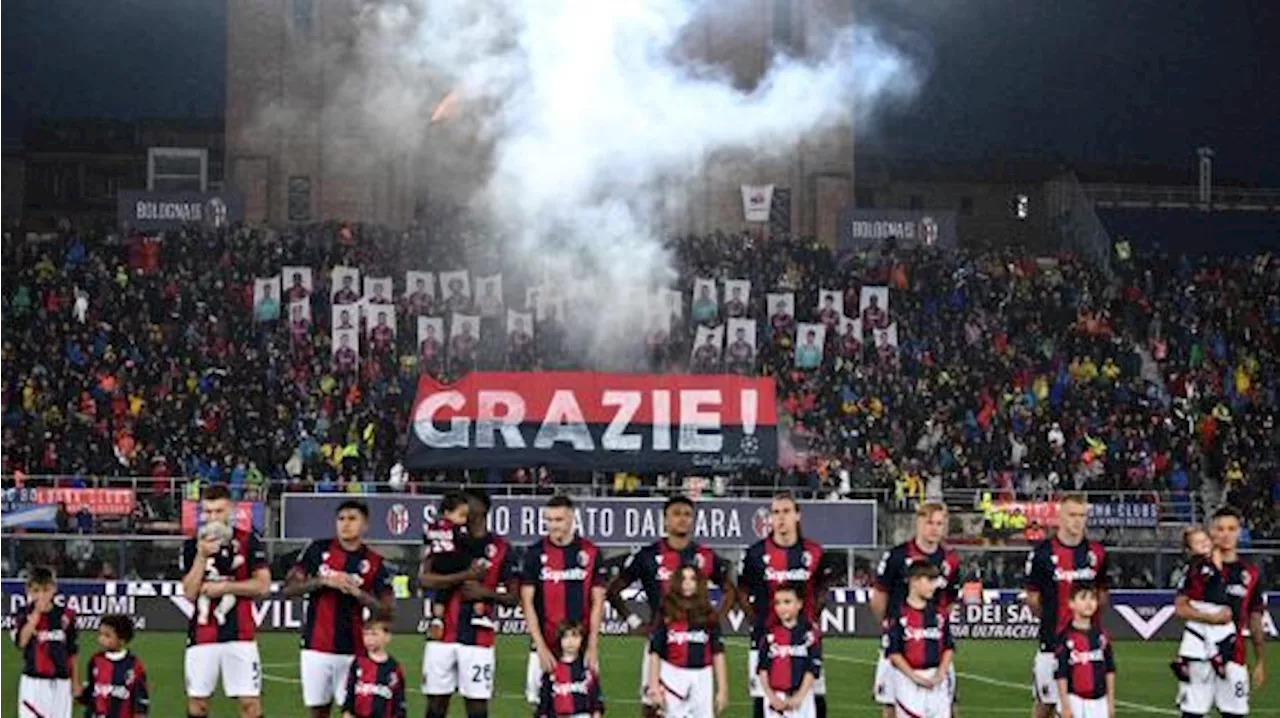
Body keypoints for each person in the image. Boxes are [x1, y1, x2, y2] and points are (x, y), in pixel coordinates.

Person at [604, 496, 736, 713]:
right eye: (676, 514)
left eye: (687, 514)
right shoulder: (648, 556)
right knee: (653, 707)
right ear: (665, 520)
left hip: (696, 643)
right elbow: (613, 591)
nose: (682, 519)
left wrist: (716, 618)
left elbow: (730, 590)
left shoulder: (705, 556)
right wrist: (635, 621)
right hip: (660, 641)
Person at [283, 500, 395, 717]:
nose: (346, 524)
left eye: (353, 519)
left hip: (354, 650)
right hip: (315, 647)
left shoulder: (374, 562)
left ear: (365, 525)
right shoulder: (317, 550)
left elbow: (387, 610)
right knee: (318, 711)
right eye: (341, 519)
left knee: (353, 711)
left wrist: (358, 592)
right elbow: (289, 589)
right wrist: (323, 581)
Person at [421, 490, 520, 718]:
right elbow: (425, 578)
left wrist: (483, 593)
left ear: (483, 509)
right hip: (441, 636)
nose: (464, 507)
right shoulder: (446, 537)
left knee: (477, 709)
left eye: (469, 503)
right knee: (435, 706)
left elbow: (513, 598)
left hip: (479, 640)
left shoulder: (501, 547)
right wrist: (462, 577)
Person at [740, 493, 836, 718]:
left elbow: (822, 589)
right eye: (775, 512)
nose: (781, 518)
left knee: (815, 697)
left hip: (805, 638)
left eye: (786, 511)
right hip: (766, 637)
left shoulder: (814, 552)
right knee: (762, 700)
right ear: (770, 518)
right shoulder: (755, 554)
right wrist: (757, 621)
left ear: (797, 515)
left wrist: (812, 619)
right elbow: (742, 592)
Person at [179, 484, 271, 718]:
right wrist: (201, 556)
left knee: (250, 705)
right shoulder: (191, 545)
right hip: (202, 634)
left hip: (240, 634)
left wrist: (225, 587)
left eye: (218, 511)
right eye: (208, 512)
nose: (213, 517)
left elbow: (262, 585)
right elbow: (189, 592)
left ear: (230, 510)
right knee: (198, 703)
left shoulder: (249, 541)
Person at [1173, 506, 1266, 718]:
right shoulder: (1196, 567)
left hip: (1234, 656)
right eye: (1220, 529)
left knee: (1234, 714)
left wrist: (1260, 660)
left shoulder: (1250, 573)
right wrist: (1211, 618)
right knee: (1192, 713)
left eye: (1231, 529)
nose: (1226, 534)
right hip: (1198, 657)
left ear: (1239, 532)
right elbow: (1180, 607)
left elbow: (1255, 618)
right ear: (1211, 532)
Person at [871, 503, 962, 717]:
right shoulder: (897, 556)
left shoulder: (950, 560)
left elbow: (949, 601)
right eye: (929, 522)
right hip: (901, 640)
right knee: (891, 707)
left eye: (939, 523)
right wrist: (889, 626)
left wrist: (937, 627)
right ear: (918, 522)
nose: (934, 528)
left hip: (933, 642)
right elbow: (878, 598)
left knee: (950, 705)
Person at [1022, 495, 1108, 718]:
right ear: (1060, 517)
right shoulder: (1041, 554)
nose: (1077, 521)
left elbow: (1102, 594)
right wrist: (1051, 620)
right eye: (1072, 515)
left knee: (1082, 704)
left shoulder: (1096, 553)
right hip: (1052, 641)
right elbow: (1033, 598)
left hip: (1087, 645)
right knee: (1046, 705)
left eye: (1082, 516)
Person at [521, 495, 608, 708]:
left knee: (583, 705)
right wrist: (539, 646)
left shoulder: (590, 552)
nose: (552, 525)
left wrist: (593, 645)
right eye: (548, 520)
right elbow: (527, 603)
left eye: (558, 520)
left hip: (580, 645)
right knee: (540, 706)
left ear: (572, 519)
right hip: (545, 645)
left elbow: (597, 602)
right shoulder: (534, 553)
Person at [646, 566, 730, 718]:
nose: (688, 583)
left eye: (693, 579)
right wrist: (653, 686)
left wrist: (723, 689)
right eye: (683, 579)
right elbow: (655, 651)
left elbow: (718, 652)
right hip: (672, 674)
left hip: (702, 676)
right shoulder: (666, 611)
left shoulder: (708, 614)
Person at [885, 563, 955, 718]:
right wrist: (914, 677)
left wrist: (941, 673)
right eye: (929, 580)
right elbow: (894, 652)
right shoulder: (899, 614)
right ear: (914, 581)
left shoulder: (939, 614)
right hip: (908, 680)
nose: (934, 585)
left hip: (937, 679)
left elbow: (949, 647)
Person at [14, 566, 79, 718]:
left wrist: (75, 682)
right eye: (36, 591)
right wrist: (35, 617)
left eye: (45, 590)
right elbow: (21, 643)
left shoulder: (66, 615)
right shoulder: (24, 613)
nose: (41, 595)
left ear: (54, 589)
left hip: (61, 683)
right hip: (33, 681)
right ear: (28, 591)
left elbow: (72, 651)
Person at [421, 492, 480, 641]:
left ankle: (437, 619)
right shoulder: (456, 528)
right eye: (461, 515)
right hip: (452, 559)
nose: (464, 519)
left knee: (442, 593)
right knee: (474, 574)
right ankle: (479, 613)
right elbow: (464, 544)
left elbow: (427, 543)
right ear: (447, 513)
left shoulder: (431, 526)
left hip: (437, 562)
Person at [756, 586, 822, 718]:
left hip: (802, 698)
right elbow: (762, 669)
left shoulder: (808, 635)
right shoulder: (769, 635)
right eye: (778, 603)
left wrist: (799, 697)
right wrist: (771, 697)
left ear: (799, 604)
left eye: (787, 602)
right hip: (775, 698)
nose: (782, 607)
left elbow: (812, 668)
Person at [1170, 526, 1224, 682]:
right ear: (1190, 549)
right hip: (1202, 601)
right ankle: (1214, 654)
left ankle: (1183, 658)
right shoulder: (1200, 564)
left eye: (1205, 540)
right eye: (1198, 542)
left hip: (1200, 602)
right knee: (1208, 625)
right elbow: (1209, 579)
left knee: (1195, 628)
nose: (1204, 544)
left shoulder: (1196, 564)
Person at [1054, 584, 1115, 718]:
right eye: (1083, 598)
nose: (1089, 603)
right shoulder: (1065, 637)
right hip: (1074, 699)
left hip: (1099, 702)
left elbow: (1109, 670)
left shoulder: (1102, 636)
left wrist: (1110, 702)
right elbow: (1060, 673)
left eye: (1092, 598)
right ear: (1071, 603)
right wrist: (1065, 705)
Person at [81, 613, 150, 718]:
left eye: (107, 635)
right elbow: (91, 690)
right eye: (100, 634)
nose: (101, 639)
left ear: (122, 639)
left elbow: (140, 697)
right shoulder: (95, 660)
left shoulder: (134, 665)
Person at [340, 612, 406, 718]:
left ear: (387, 637)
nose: (369, 639)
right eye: (366, 634)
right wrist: (347, 713)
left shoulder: (394, 668)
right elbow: (350, 695)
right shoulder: (358, 663)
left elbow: (399, 703)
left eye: (374, 634)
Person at [536, 621, 605, 718]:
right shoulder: (552, 666)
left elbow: (595, 694)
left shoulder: (586, 666)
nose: (570, 641)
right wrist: (542, 713)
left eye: (575, 637)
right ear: (559, 640)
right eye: (565, 637)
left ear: (582, 640)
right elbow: (544, 694)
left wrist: (597, 712)